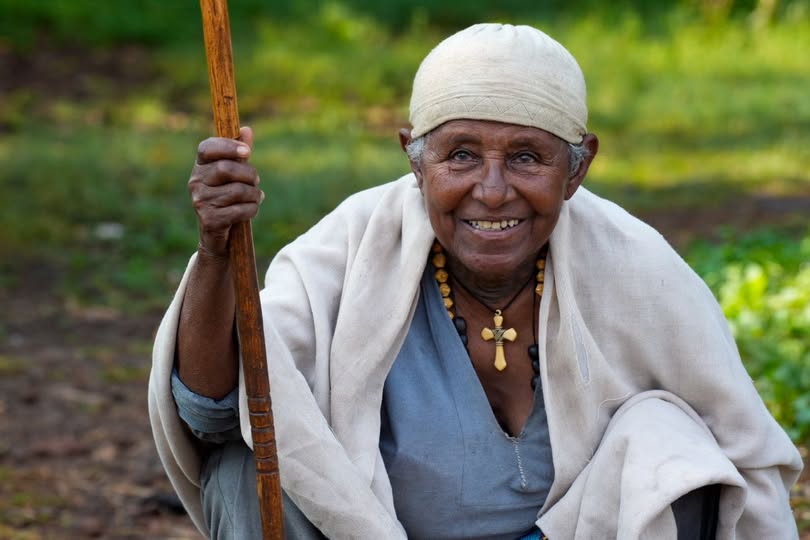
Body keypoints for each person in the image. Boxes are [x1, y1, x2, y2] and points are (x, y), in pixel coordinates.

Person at [148, 23, 803, 539]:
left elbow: (744, 461)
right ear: (415, 157)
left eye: (526, 157)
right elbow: (213, 414)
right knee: (244, 470)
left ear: (577, 169)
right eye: (460, 154)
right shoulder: (346, 251)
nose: (492, 192)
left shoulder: (636, 267)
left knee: (680, 456)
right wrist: (215, 249)